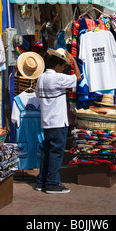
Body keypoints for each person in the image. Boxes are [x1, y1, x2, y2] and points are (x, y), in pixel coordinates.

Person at [35, 47, 81, 194]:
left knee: (47, 151)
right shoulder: (57, 78)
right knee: (56, 152)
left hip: (46, 121)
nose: (63, 69)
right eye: (63, 66)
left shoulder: (41, 77)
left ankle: (41, 181)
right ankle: (52, 183)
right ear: (58, 66)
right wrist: (73, 60)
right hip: (58, 121)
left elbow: (37, 95)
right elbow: (78, 78)